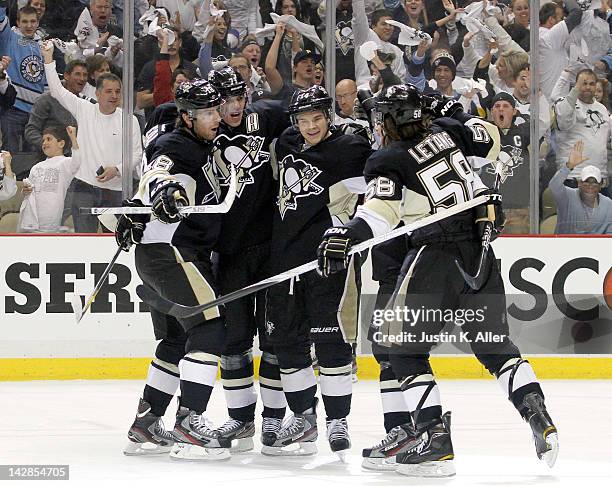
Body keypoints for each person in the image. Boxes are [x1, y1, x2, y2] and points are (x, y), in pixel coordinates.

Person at [317, 85, 558, 476]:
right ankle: (539, 415)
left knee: (402, 351)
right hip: (480, 256)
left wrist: (347, 235)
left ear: (394, 120)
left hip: (436, 257)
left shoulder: (388, 158)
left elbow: (379, 214)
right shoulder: (449, 130)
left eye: (383, 117)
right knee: (496, 349)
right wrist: (455, 112)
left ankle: (433, 439)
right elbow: (491, 138)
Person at [122, 79, 232, 461]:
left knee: (175, 341)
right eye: (207, 113)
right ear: (187, 116)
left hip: (164, 254)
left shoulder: (204, 145)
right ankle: (190, 421)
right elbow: (159, 174)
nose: (216, 118)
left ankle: (148, 422)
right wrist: (166, 194)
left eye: (217, 110)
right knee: (209, 328)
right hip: (171, 253)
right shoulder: (176, 145)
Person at [262, 85, 373, 459]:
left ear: (329, 116)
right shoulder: (287, 141)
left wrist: (347, 225)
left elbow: (374, 194)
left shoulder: (350, 149)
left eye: (317, 118)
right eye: (304, 119)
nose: (310, 126)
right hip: (284, 261)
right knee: (287, 343)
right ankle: (303, 416)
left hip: (329, 261)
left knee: (331, 341)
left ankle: (338, 420)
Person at [206, 66, 291, 451]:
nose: (234, 106)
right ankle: (240, 420)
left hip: (273, 249)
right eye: (225, 101)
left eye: (239, 97)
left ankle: (273, 421)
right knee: (234, 340)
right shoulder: (206, 135)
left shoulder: (266, 115)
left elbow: (310, 117)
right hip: (230, 253)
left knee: (273, 338)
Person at [41, 41, 142, 233]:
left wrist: (118, 170)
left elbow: (137, 154)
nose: (114, 95)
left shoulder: (130, 120)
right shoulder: (84, 109)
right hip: (84, 187)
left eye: (117, 92)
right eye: (109, 91)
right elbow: (56, 90)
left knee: (115, 241)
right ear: (97, 93)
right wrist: (48, 59)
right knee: (83, 240)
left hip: (116, 190)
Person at [553, 69, 612, 193]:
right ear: (576, 84)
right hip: (573, 177)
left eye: (591, 84)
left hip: (599, 177)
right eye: (583, 83)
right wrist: (575, 90)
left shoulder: (602, 109)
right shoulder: (565, 103)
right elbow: (563, 121)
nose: (587, 87)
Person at [0, 3, 46, 153]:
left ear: (38, 23)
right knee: (10, 156)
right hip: (13, 109)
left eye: (33, 21)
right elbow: (1, 18)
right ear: (18, 23)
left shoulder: (43, 47)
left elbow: (45, 82)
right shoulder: (9, 37)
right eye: (25, 21)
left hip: (35, 114)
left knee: (32, 160)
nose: (29, 25)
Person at [18, 125, 80, 232]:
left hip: (50, 220)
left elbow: (78, 161)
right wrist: (24, 191)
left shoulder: (66, 163)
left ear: (61, 143)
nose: (44, 143)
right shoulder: (36, 167)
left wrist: (73, 138)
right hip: (30, 220)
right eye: (43, 140)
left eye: (49, 139)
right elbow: (27, 193)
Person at [25, 60, 89, 154]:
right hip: (48, 160)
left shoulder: (85, 103)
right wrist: (49, 147)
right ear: (66, 76)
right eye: (78, 74)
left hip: (75, 159)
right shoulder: (46, 99)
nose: (82, 78)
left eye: (85, 75)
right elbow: (31, 131)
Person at [548, 140, 612, 234]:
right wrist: (569, 166)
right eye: (586, 181)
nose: (590, 186)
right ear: (579, 183)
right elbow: (554, 186)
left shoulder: (608, 205)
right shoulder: (567, 197)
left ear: (600, 186)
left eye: (594, 182)